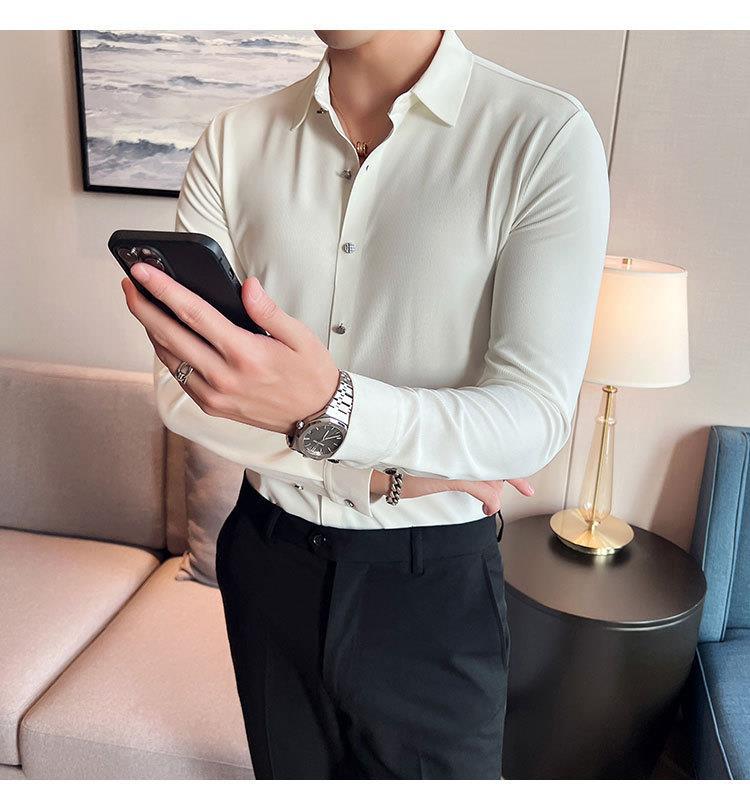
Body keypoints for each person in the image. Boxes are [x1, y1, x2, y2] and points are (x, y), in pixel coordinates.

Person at [121, 29, 610, 779]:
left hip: (431, 585)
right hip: (265, 555)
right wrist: (378, 472)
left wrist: (331, 404)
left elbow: (530, 418)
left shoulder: (542, 136)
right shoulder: (232, 139)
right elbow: (185, 395)